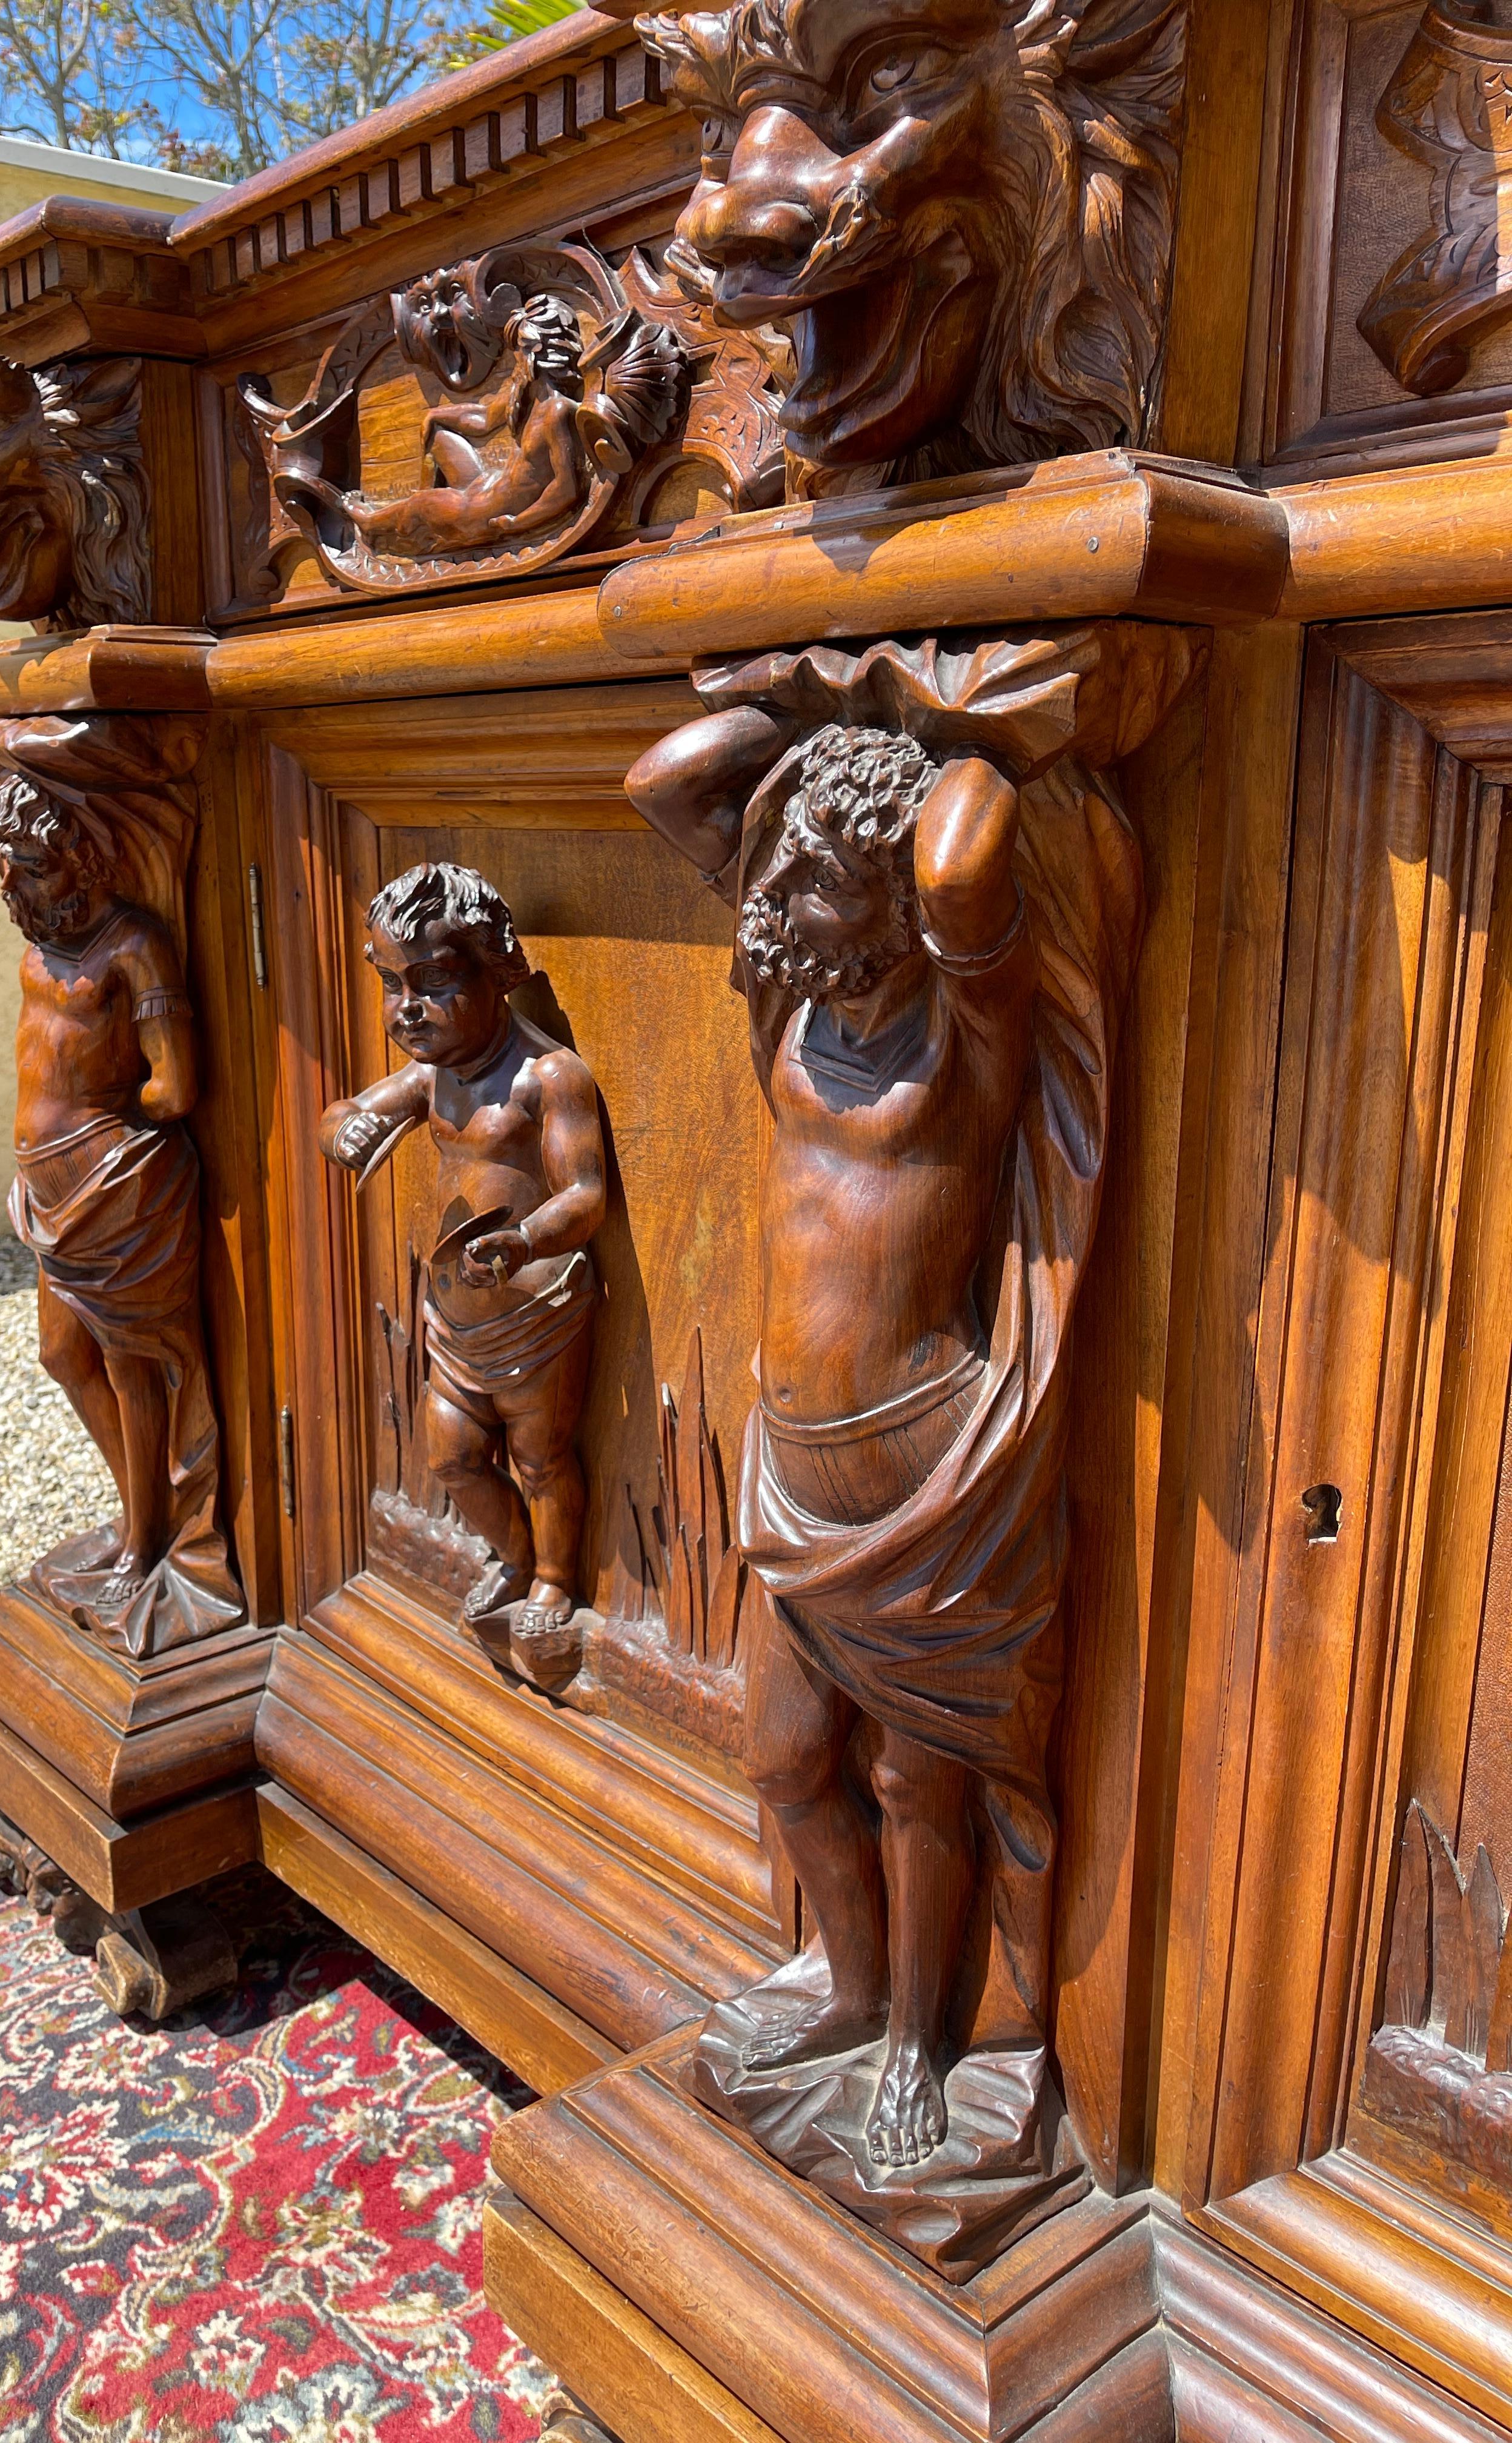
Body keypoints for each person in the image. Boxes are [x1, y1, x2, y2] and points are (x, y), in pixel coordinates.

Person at [626, 628, 1162, 2185]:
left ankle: (927, 2041)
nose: (775, 912)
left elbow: (977, 839)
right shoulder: (788, 1015)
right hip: (791, 1460)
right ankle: (853, 1991)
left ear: (898, 900)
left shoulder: (970, 1030)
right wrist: (821, 710)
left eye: (810, 886)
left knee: (922, 1776)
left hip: (932, 1474)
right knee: (791, 1760)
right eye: (774, 881)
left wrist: (936, 712)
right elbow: (668, 783)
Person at [0, 720, 243, 1657]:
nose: (14, 885)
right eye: (9, 866)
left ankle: (149, 1545)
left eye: (36, 868)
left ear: (88, 862)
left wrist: (99, 1115)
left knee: (139, 1370)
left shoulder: (132, 946)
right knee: (65, 1357)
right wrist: (3, 739)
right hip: (46, 1185)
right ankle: (142, 1517)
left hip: (116, 1181)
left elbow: (174, 1088)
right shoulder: (39, 911)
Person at [319, 863, 606, 1671]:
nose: (407, 1008)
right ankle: (513, 1557)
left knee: (542, 1458)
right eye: (390, 984)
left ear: (498, 971)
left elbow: (585, 1196)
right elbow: (348, 1113)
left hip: (536, 1309)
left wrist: (527, 1239)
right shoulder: (431, 1075)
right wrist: (339, 1127)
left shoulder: (547, 1080)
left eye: (435, 982)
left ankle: (552, 1579)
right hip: (454, 1317)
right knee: (449, 1455)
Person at [349, 295, 588, 557]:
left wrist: (518, 523)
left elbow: (567, 488)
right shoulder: (523, 392)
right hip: (482, 487)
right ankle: (433, 504)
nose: (516, 358)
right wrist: (437, 415)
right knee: (439, 434)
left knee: (419, 505)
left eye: (518, 349)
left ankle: (371, 524)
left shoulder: (557, 411)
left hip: (480, 513)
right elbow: (483, 418)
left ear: (536, 354)